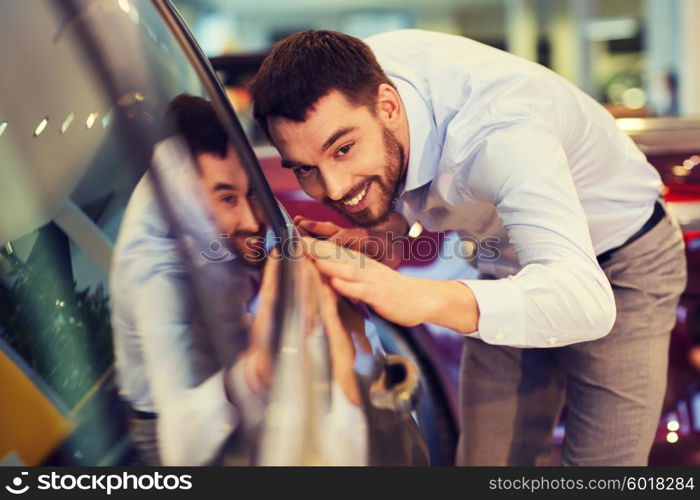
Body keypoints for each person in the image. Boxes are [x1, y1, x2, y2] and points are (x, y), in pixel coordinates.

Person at [249, 29, 688, 465]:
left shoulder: (500, 133)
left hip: (621, 263)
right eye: (305, 168)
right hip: (503, 265)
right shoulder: (357, 74)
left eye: (343, 150)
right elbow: (418, 176)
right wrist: (392, 233)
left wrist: (415, 296)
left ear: (387, 105)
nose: (334, 188)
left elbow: (584, 300)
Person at [110, 94, 274, 465]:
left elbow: (273, 231)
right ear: (186, 189)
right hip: (176, 422)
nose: (252, 220)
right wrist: (255, 372)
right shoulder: (156, 274)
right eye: (229, 200)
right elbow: (179, 445)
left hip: (228, 361)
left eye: (251, 193)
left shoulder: (215, 170)